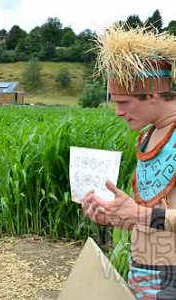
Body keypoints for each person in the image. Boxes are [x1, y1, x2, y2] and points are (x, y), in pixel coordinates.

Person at [82, 25, 176, 299]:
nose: (118, 112)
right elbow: (157, 216)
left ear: (152, 95)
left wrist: (139, 215)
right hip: (143, 272)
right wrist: (119, 217)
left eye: (124, 102)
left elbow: (150, 215)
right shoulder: (152, 135)